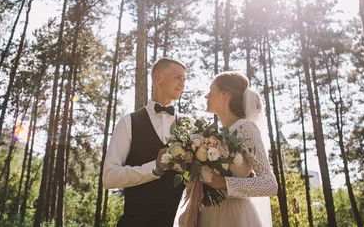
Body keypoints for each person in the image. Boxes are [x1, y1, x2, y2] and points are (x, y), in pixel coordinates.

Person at [182, 71, 278, 227]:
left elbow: (269, 184)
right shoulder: (215, 135)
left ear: (224, 94)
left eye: (211, 89)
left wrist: (223, 183)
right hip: (209, 214)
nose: (206, 96)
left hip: (235, 216)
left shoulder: (246, 128)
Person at [103, 57, 188, 227]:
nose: (182, 84)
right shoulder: (128, 122)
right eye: (177, 77)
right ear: (158, 77)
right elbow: (109, 178)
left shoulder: (189, 125)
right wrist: (153, 169)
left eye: (184, 80)